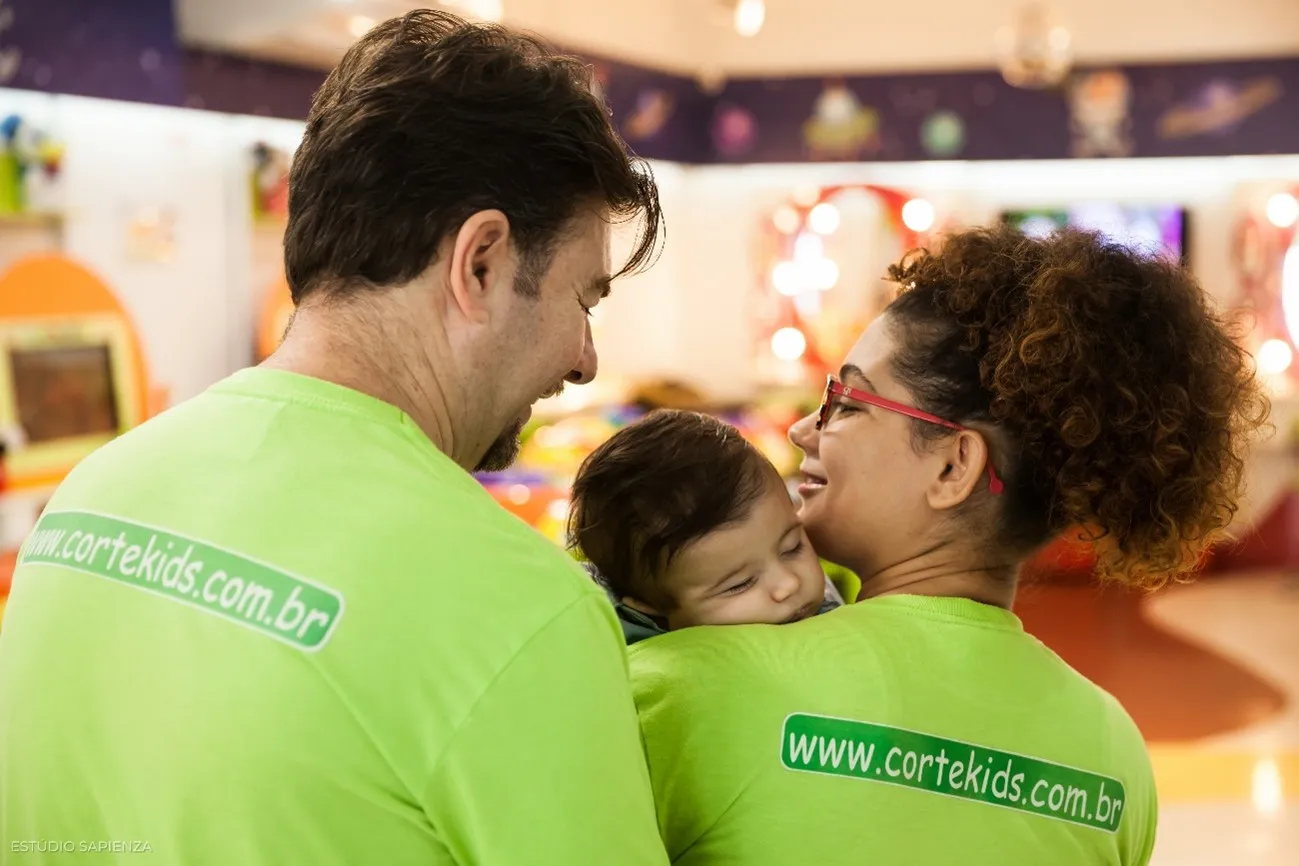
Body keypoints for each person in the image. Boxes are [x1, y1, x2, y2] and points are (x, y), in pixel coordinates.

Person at [0, 10, 669, 866]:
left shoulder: (87, 501)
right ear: (481, 263)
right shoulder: (517, 611)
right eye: (584, 299)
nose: (584, 358)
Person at [629, 226, 1269, 865]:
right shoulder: (1114, 755)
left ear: (953, 467)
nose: (803, 430)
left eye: (846, 402)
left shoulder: (694, 688)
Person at [567, 409, 835, 643]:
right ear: (649, 607)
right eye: (740, 584)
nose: (788, 584)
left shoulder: (827, 606)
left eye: (792, 547)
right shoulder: (630, 671)